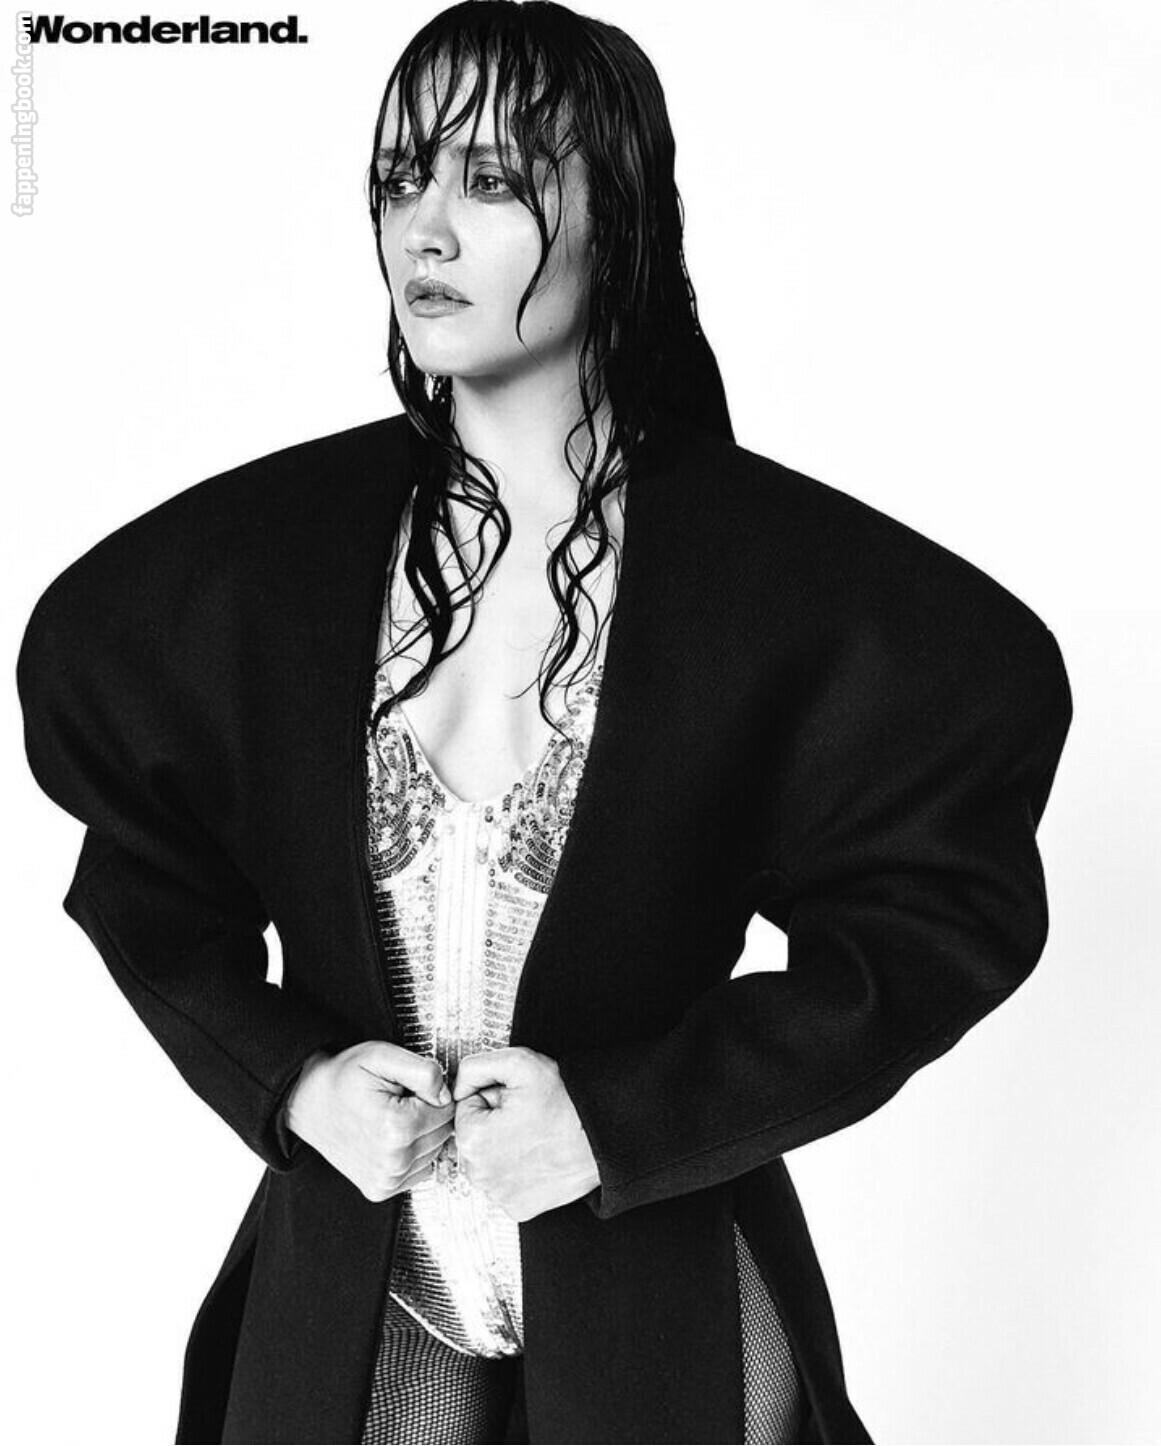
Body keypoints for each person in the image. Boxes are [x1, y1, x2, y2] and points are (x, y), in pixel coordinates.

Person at [14, 2, 1073, 1443]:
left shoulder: (774, 579)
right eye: (402, 178)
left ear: (615, 219)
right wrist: (292, 1082)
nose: (426, 229)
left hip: (660, 1278)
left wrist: (625, 1118)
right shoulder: (251, 568)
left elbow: (935, 917)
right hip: (365, 1274)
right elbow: (144, 878)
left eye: (494, 180)